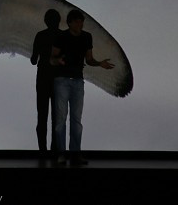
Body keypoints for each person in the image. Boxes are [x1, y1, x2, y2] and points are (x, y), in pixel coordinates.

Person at [52, 9, 115, 166]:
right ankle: (61, 154)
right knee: (60, 119)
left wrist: (100, 63)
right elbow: (51, 58)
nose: (80, 25)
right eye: (78, 22)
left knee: (76, 119)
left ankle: (75, 153)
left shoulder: (87, 37)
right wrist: (57, 61)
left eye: (82, 22)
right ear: (70, 23)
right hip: (61, 80)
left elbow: (89, 59)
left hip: (78, 81)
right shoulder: (61, 36)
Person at [30, 9, 63, 153]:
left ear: (46, 21)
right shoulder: (63, 36)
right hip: (58, 79)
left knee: (42, 116)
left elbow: (33, 60)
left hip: (43, 76)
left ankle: (42, 150)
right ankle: (55, 149)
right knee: (57, 118)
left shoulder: (40, 35)